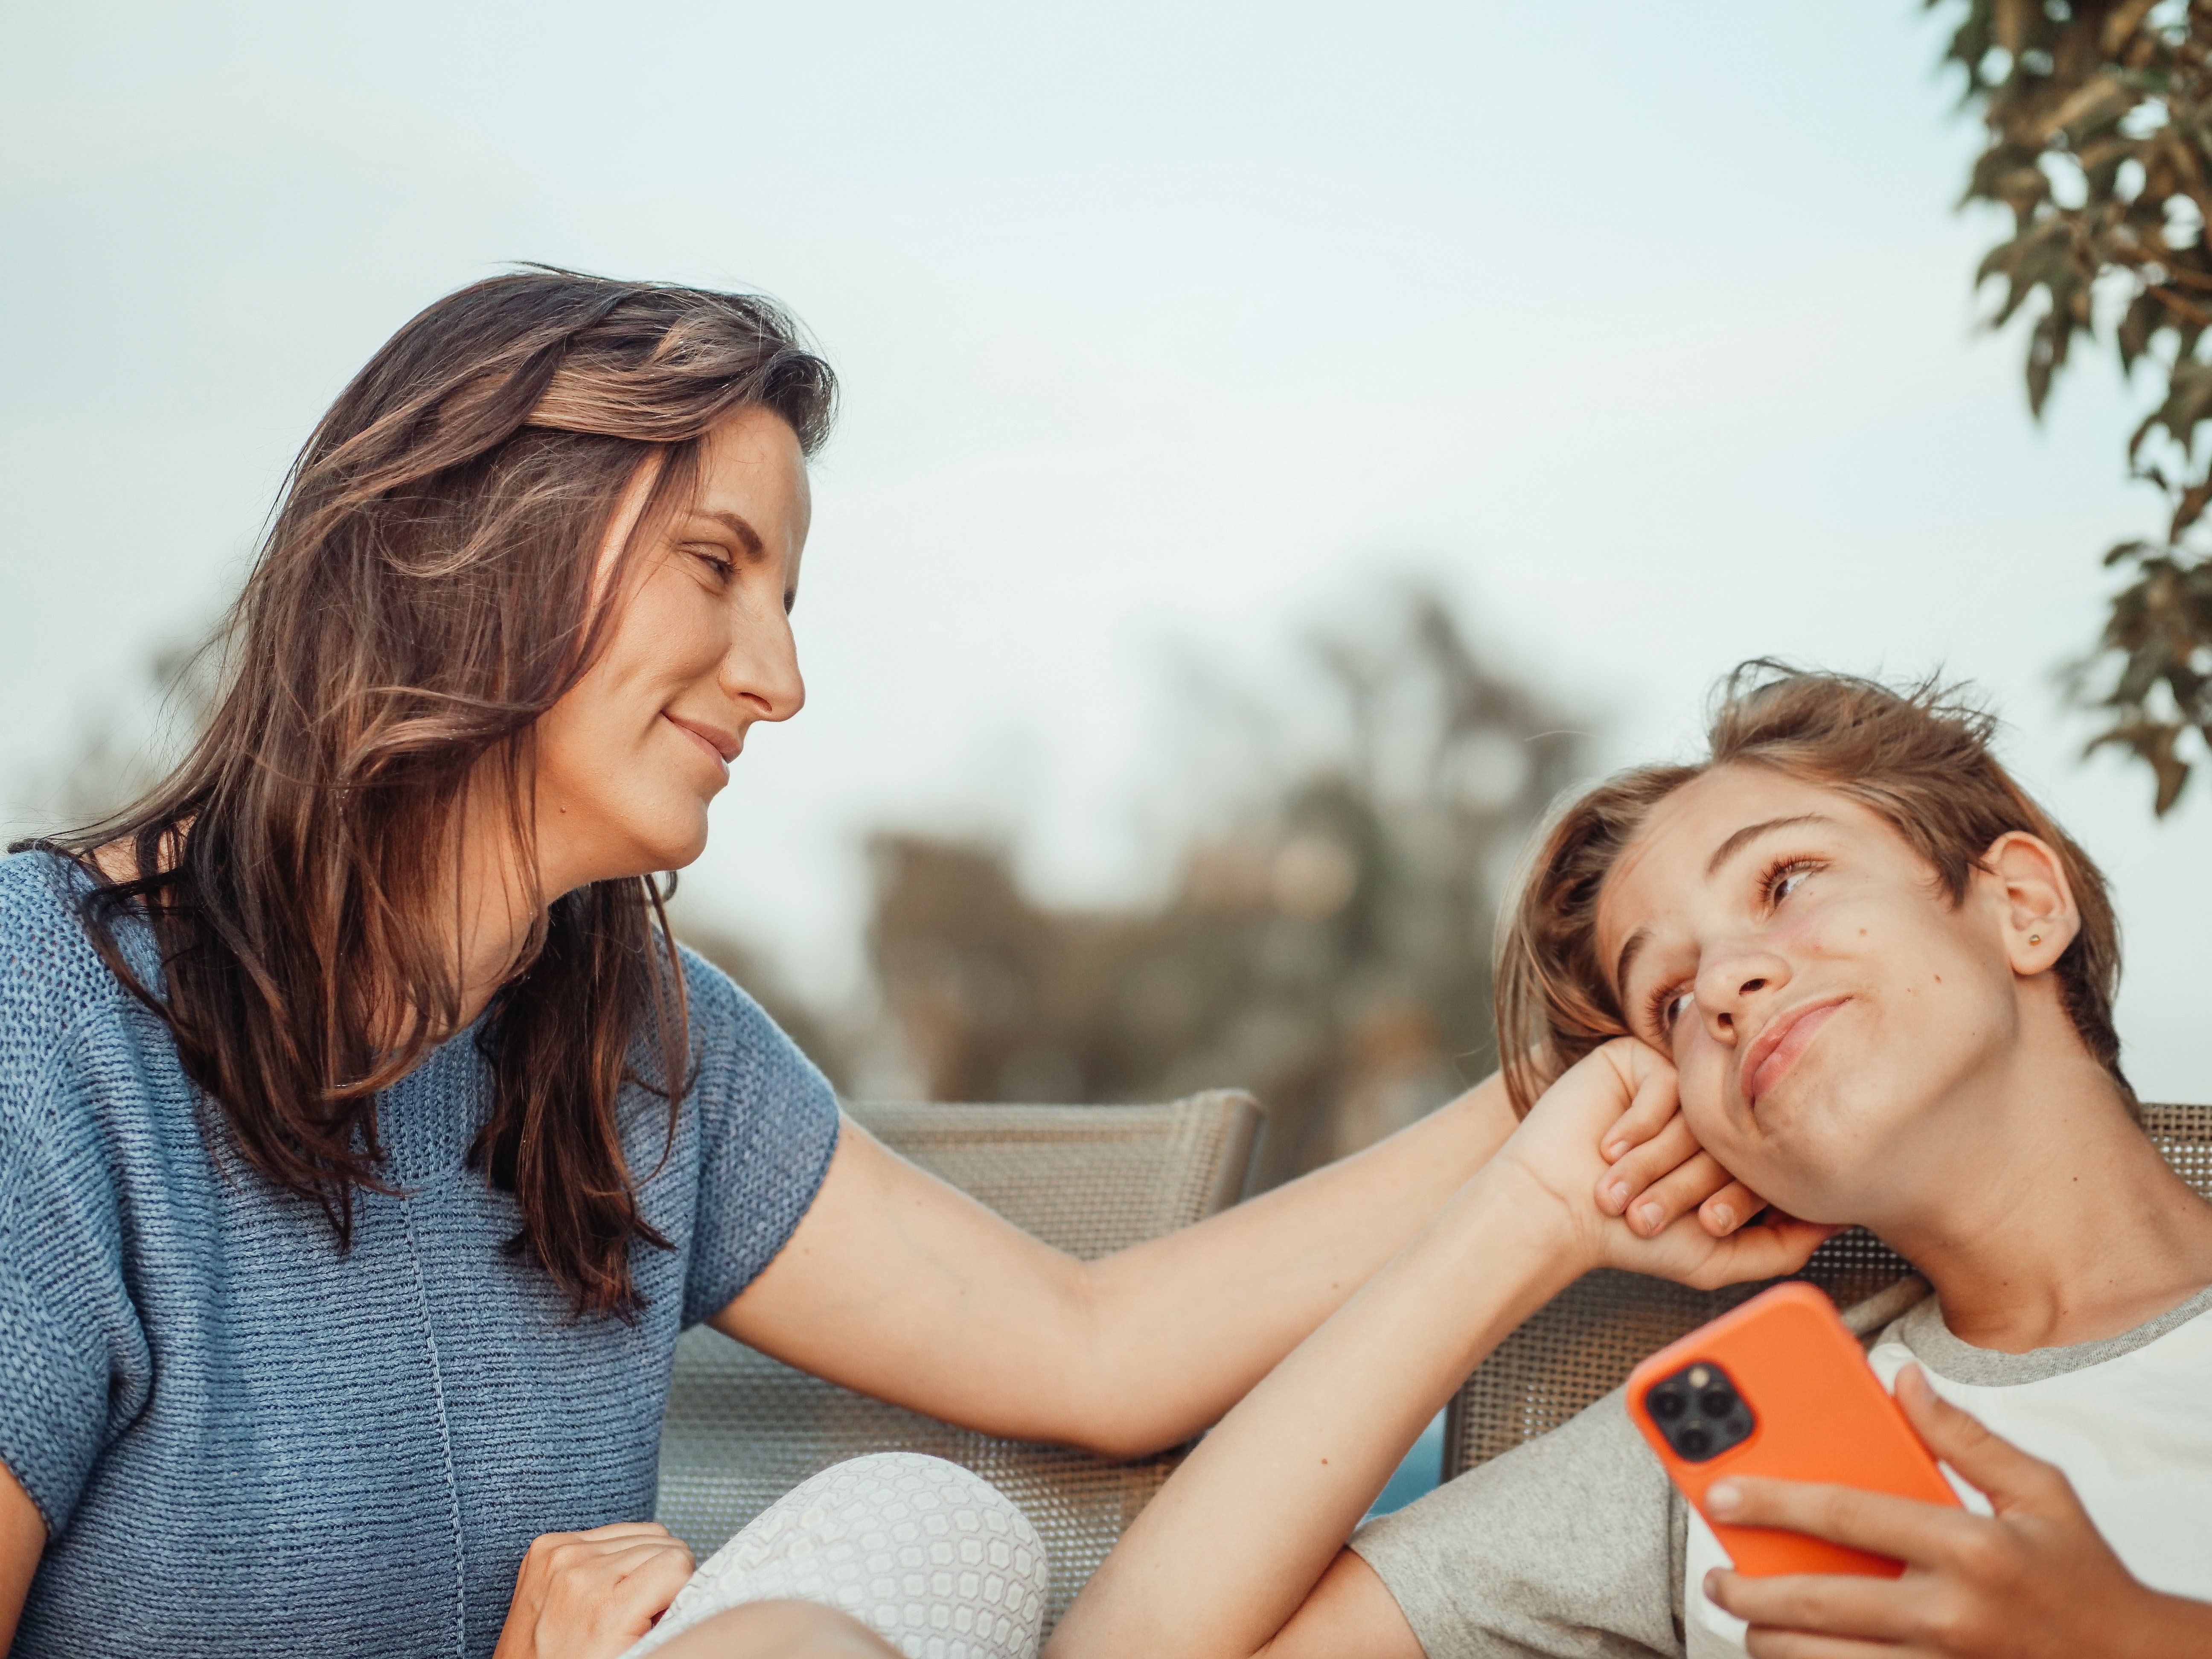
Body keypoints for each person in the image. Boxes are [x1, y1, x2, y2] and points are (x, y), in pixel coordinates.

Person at [0, 270, 1751, 1659]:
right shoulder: (50, 1028)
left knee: (940, 1526)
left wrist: (1555, 1106)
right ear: (478, 534)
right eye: (717, 566)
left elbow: (1096, 1344)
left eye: (790, 599)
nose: (779, 677)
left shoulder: (627, 1050)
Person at [1051, 665, 2212, 1659]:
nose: (1721, 983)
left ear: (2019, 903)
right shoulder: (1732, 1446)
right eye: (1666, 1001)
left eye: (1788, 880)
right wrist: (1525, 1212)